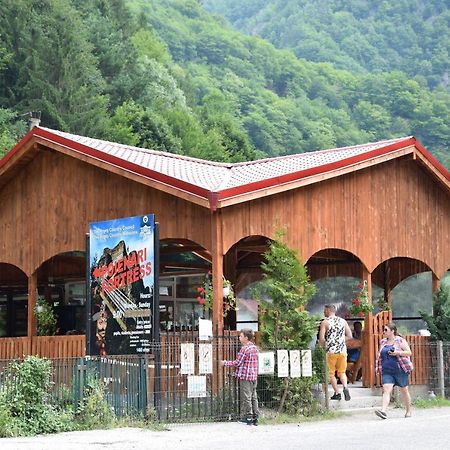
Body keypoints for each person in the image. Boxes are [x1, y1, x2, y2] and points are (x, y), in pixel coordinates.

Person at [375, 322, 413, 419]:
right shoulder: (383, 342)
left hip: (400, 369)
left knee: (404, 390)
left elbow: (409, 353)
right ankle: (383, 411)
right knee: (386, 390)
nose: (384, 332)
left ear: (392, 331)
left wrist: (397, 352)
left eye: (386, 330)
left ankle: (408, 410)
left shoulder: (400, 341)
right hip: (387, 370)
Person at [221, 329, 259, 425]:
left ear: (246, 338)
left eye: (241, 336)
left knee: (246, 397)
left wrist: (225, 363)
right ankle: (256, 417)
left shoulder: (244, 349)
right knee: (253, 397)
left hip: (245, 376)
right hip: (254, 376)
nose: (239, 338)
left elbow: (237, 363)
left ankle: (248, 418)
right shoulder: (255, 348)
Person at [319, 304, 353, 401]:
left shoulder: (325, 322)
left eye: (325, 310)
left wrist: (325, 344)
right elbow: (349, 336)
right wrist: (341, 340)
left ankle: (337, 393)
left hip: (331, 351)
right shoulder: (343, 321)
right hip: (342, 351)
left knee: (331, 374)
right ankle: (345, 387)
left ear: (329, 310)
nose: (323, 312)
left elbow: (321, 339)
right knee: (342, 372)